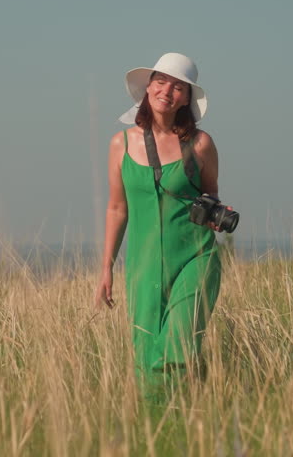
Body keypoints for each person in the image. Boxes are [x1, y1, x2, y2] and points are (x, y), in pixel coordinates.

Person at [96, 52, 225, 402]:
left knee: (177, 346)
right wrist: (107, 267)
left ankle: (185, 413)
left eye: (178, 87)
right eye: (161, 81)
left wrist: (215, 212)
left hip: (195, 259)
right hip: (143, 265)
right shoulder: (120, 144)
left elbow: (211, 194)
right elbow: (117, 208)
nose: (167, 91)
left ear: (187, 97)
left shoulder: (200, 144)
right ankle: (164, 427)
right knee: (146, 354)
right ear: (148, 86)